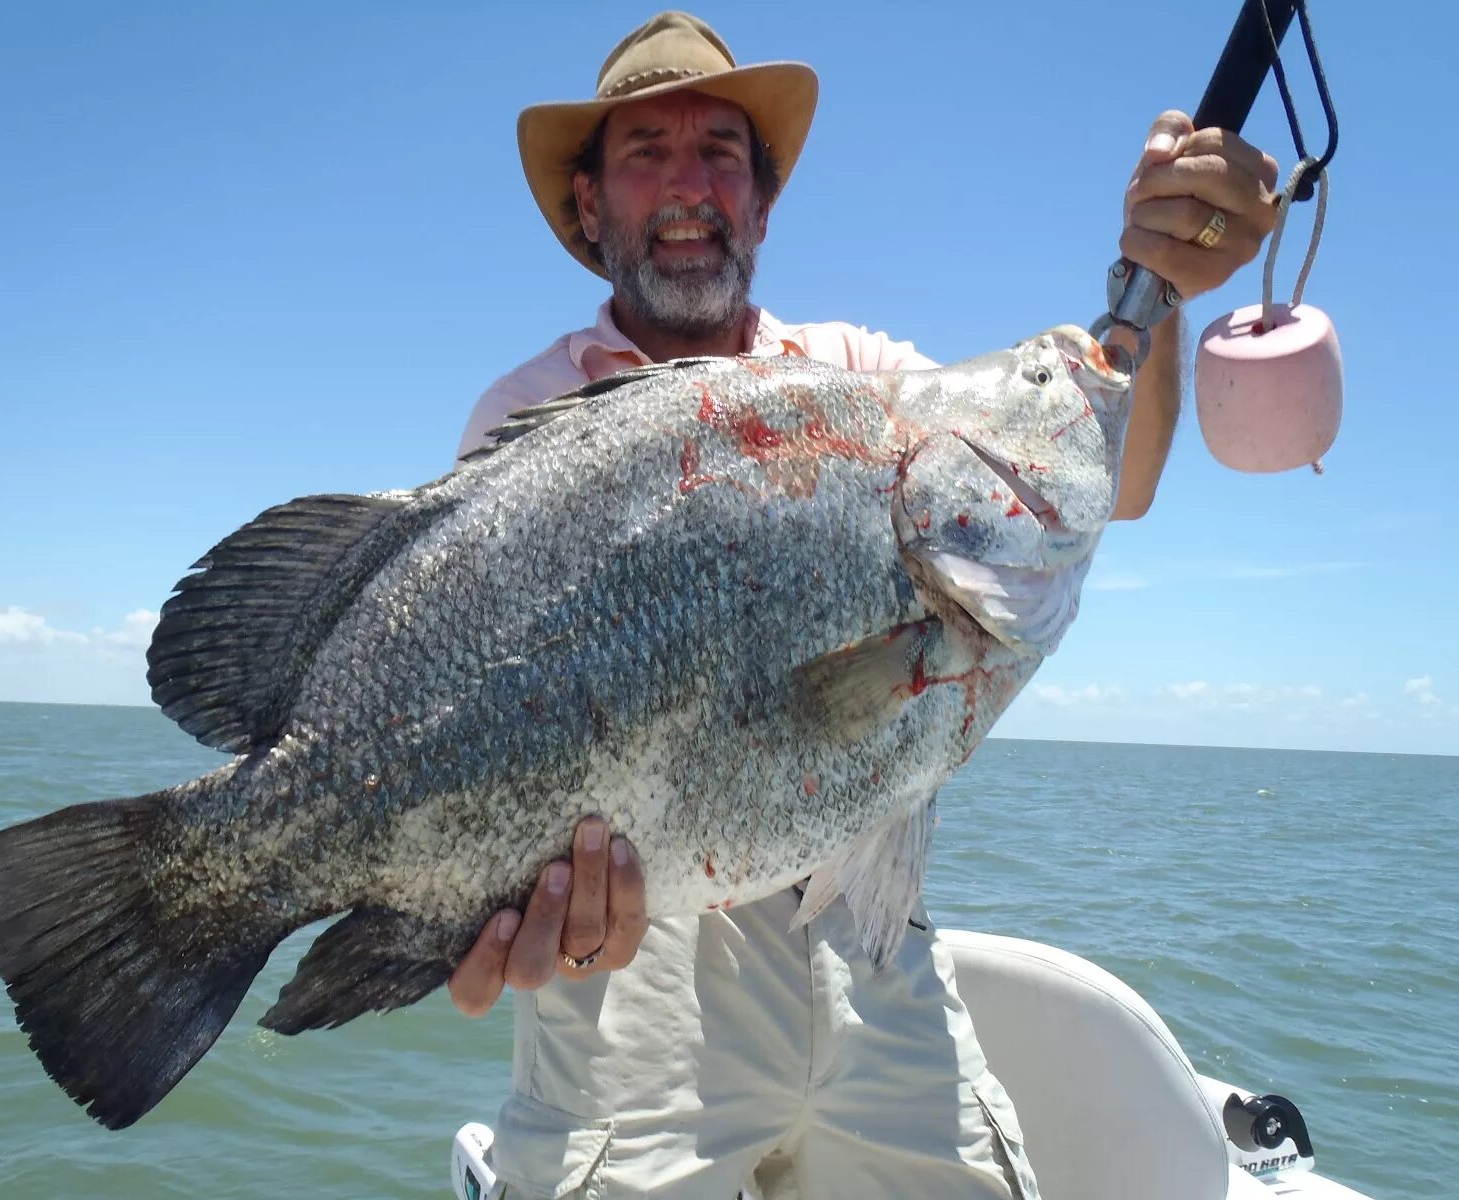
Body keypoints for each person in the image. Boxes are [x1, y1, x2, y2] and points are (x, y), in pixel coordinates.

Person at [443, 12, 1279, 1198]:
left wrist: (1159, 297)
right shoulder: (522, 426)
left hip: (870, 934)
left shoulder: (865, 380)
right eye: (646, 153)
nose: (689, 183)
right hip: (632, 961)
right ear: (589, 208)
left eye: (721, 152)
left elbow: (1106, 478)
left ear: (764, 204)